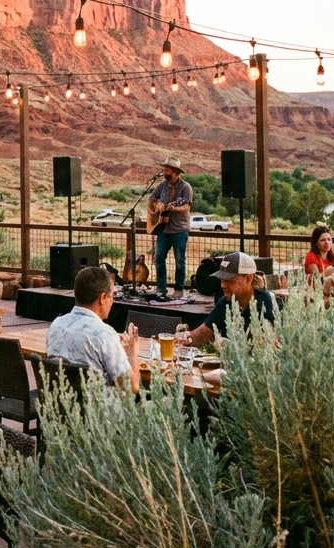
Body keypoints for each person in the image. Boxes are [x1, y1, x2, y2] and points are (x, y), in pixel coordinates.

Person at [45, 265, 141, 392]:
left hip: (63, 407)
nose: (112, 301)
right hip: (99, 410)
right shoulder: (104, 334)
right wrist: (132, 353)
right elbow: (132, 388)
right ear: (102, 298)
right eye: (112, 296)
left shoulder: (56, 324)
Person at [183, 252, 276, 347]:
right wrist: (186, 338)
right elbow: (201, 335)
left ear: (248, 278)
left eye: (229, 280)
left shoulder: (270, 304)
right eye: (221, 280)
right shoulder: (226, 302)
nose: (223, 285)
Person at [149, 157, 193, 298]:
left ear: (175, 172)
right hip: (163, 228)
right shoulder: (161, 186)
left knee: (180, 260)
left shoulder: (185, 187)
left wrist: (174, 208)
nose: (164, 172)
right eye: (164, 169)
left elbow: (186, 206)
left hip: (179, 230)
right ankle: (161, 289)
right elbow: (151, 199)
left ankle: (179, 289)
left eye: (167, 169)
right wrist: (157, 206)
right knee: (159, 257)